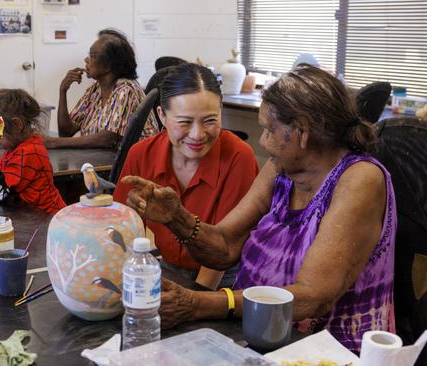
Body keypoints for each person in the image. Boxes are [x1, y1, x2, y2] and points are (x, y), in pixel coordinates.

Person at [121, 65, 396, 352]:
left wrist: (199, 304)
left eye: (268, 129)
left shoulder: (359, 179)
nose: (263, 141)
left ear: (302, 131)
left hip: (322, 349)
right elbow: (225, 245)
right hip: (253, 333)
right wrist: (177, 218)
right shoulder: (282, 168)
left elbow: (312, 298)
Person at [114, 63, 259, 290]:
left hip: (226, 276)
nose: (197, 134)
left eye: (210, 120)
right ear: (162, 116)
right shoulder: (141, 154)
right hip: (167, 267)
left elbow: (222, 249)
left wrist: (195, 302)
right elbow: (123, 228)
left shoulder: (239, 157)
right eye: (185, 122)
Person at [46, 28, 158, 149]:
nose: (86, 59)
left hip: (137, 162)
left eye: (93, 55)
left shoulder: (127, 90)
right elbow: (66, 132)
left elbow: (106, 139)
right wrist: (63, 91)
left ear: (109, 64)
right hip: (105, 160)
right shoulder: (94, 90)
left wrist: (53, 142)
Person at [0, 89, 66, 215]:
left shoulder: (30, 152)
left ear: (17, 125)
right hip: (30, 217)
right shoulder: (14, 149)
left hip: (48, 221)